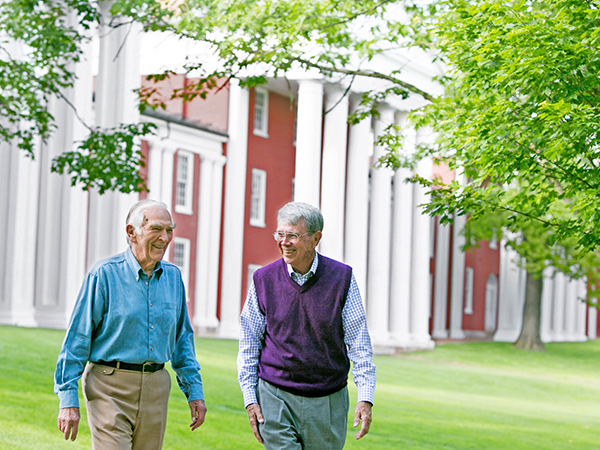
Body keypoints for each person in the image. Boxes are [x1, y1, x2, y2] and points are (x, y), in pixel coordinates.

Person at [54, 199, 206, 449]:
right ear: (131, 232)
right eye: (156, 229)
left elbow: (182, 341)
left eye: (169, 230)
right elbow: (77, 339)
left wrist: (195, 392)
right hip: (108, 386)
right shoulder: (104, 274)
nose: (165, 238)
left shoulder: (173, 278)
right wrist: (68, 399)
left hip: (156, 387)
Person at [237, 202, 376, 450]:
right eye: (280, 234)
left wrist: (365, 396)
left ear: (315, 239)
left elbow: (358, 341)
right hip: (275, 397)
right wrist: (250, 399)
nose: (284, 242)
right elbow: (249, 343)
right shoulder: (263, 279)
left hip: (328, 402)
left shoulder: (342, 278)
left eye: (292, 235)